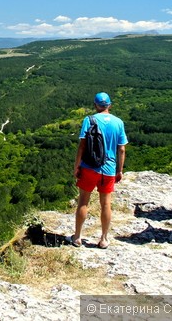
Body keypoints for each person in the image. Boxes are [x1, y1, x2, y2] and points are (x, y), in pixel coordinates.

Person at [69, 92, 128, 249]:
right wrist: (119, 170)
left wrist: (77, 166)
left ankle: (77, 237)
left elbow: (82, 145)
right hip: (108, 169)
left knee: (83, 201)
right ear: (110, 105)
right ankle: (103, 239)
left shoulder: (89, 120)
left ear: (95, 105)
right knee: (106, 204)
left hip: (89, 167)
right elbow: (121, 149)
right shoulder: (119, 123)